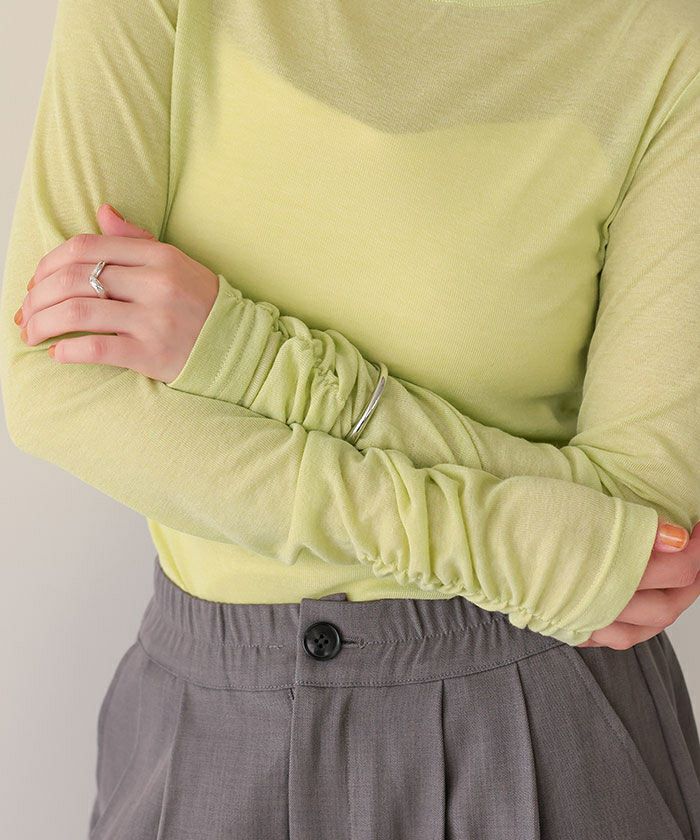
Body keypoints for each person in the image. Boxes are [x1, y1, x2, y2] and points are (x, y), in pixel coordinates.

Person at [1, 0, 699, 837]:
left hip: (540, 711)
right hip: (208, 730)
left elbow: (642, 528)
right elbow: (53, 378)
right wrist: (522, 546)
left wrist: (252, 359)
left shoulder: (668, 46)